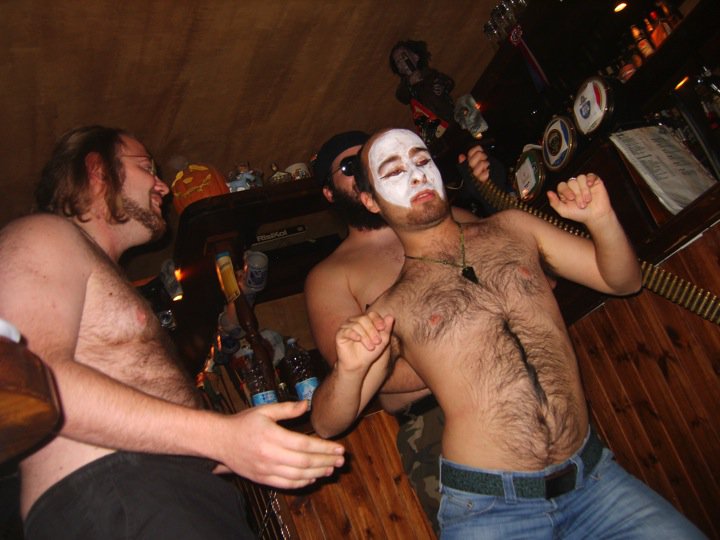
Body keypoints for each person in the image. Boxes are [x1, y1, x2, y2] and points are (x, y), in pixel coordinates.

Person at [311, 128, 705, 539]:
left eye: (422, 160)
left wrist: (601, 221)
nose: (416, 175)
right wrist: (349, 370)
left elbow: (623, 281)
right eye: (394, 171)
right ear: (371, 201)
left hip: (594, 483)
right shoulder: (393, 306)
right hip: (491, 511)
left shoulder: (514, 228)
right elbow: (326, 422)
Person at [0, 125, 345, 540]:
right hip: (115, 496)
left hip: (163, 494)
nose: (162, 186)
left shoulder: (100, 273)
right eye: (146, 167)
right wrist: (221, 438)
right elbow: (36, 382)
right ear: (98, 170)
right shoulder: (42, 235)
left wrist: (235, 449)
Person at [305, 130, 488, 531]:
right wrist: (466, 351)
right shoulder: (330, 276)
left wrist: (491, 193)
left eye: (369, 161)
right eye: (350, 167)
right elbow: (357, 374)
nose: (363, 171)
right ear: (330, 193)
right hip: (434, 425)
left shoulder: (453, 221)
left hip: (513, 391)